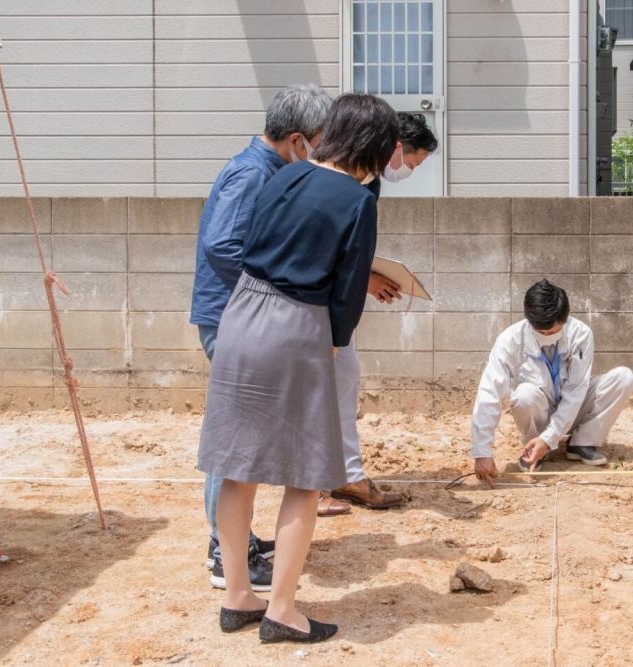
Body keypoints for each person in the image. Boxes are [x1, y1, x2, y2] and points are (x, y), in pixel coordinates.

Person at [197, 93, 399, 642]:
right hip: (297, 323)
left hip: (241, 311)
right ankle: (282, 609)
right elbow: (347, 286)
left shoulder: (283, 173)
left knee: (238, 466)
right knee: (305, 478)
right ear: (375, 148)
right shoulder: (357, 201)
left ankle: (238, 593)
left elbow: (250, 244)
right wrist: (335, 343)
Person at [190, 84, 348, 593]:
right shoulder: (253, 173)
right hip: (234, 319)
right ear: (299, 139)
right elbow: (222, 244)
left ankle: (237, 542)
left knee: (243, 436)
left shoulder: (272, 171)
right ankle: (223, 551)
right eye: (322, 141)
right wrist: (265, 296)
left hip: (245, 318)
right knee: (236, 440)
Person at [329, 112, 439, 510]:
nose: (408, 171)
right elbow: (330, 250)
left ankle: (338, 477)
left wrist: (368, 274)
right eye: (411, 163)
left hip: (335, 307)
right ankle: (335, 480)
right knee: (338, 380)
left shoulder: (367, 185)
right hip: (317, 308)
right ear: (395, 147)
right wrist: (366, 279)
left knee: (343, 379)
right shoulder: (343, 185)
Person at [470, 280, 633, 487]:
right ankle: (534, 448)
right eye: (541, 331)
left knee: (623, 377)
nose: (547, 336)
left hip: (573, 407)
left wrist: (550, 438)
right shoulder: (510, 340)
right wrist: (481, 451)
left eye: (553, 331)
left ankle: (581, 442)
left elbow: (576, 391)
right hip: (539, 410)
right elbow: (489, 393)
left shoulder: (581, 334)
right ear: (529, 321)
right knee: (524, 395)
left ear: (564, 319)